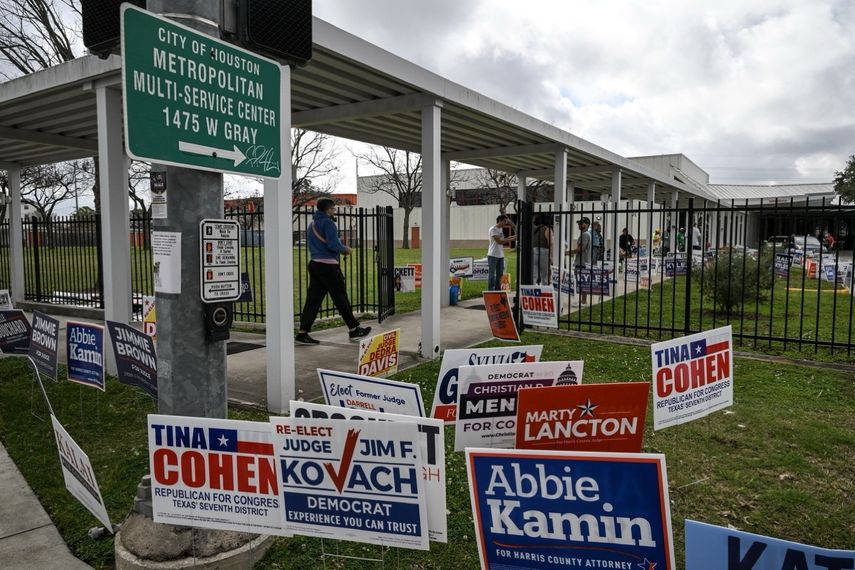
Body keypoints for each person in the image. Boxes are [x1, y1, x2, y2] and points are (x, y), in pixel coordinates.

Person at [296, 198, 371, 345]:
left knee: (313, 300)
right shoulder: (329, 223)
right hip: (329, 266)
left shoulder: (311, 225)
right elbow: (332, 244)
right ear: (328, 209)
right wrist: (345, 249)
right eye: (333, 209)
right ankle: (354, 329)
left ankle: (302, 333)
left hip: (315, 264)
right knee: (340, 297)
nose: (334, 211)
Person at [567, 216, 592, 304]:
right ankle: (582, 301)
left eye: (581, 223)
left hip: (583, 262)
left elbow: (581, 248)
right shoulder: (585, 234)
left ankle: (583, 302)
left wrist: (568, 252)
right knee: (582, 283)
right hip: (582, 262)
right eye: (579, 223)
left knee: (582, 283)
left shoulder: (585, 235)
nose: (579, 225)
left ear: (587, 225)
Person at [488, 214, 515, 291]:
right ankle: (491, 290)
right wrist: (511, 239)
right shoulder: (493, 229)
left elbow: (504, 239)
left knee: (500, 274)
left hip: (500, 255)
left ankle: (497, 290)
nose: (505, 223)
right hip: (492, 255)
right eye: (504, 221)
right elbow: (499, 241)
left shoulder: (501, 229)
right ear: (500, 220)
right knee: (492, 274)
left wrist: (514, 237)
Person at [531, 214, 553, 285]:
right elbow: (551, 243)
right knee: (545, 275)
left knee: (534, 275)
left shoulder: (534, 230)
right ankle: (545, 290)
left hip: (533, 251)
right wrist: (551, 256)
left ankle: (534, 290)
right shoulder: (547, 229)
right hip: (544, 251)